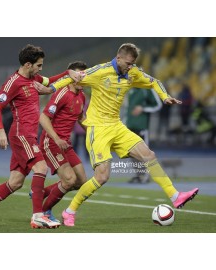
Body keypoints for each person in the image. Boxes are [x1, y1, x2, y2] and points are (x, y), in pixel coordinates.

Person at [36, 43, 199, 227]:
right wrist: (49, 88)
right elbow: (73, 78)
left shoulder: (133, 73)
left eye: (133, 63)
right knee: (102, 177)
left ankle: (175, 196)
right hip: (98, 129)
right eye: (128, 63)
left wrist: (164, 96)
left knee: (149, 155)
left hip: (117, 127)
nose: (130, 67)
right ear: (118, 58)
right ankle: (70, 211)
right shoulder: (100, 71)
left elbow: (154, 81)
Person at [0, 44, 83, 229]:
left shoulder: (34, 78)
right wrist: (0, 130)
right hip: (21, 135)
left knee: (15, 183)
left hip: (29, 136)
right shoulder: (13, 82)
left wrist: (68, 73)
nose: (40, 69)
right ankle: (37, 216)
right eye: (39, 65)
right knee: (41, 168)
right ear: (28, 64)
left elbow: (50, 81)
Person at [37, 61, 88, 225]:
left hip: (66, 144)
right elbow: (43, 117)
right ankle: (43, 212)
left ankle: (42, 192)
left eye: (85, 75)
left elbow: (81, 118)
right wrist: (57, 139)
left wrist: (95, 133)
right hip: (52, 142)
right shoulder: (62, 93)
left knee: (81, 182)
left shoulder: (82, 95)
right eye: (80, 75)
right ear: (72, 76)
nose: (83, 78)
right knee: (69, 180)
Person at [126, 88, 162, 184]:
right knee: (133, 153)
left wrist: (143, 108)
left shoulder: (147, 88)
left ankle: (146, 176)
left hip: (142, 127)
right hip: (130, 127)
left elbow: (158, 105)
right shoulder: (130, 88)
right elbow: (128, 108)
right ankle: (139, 175)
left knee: (145, 153)